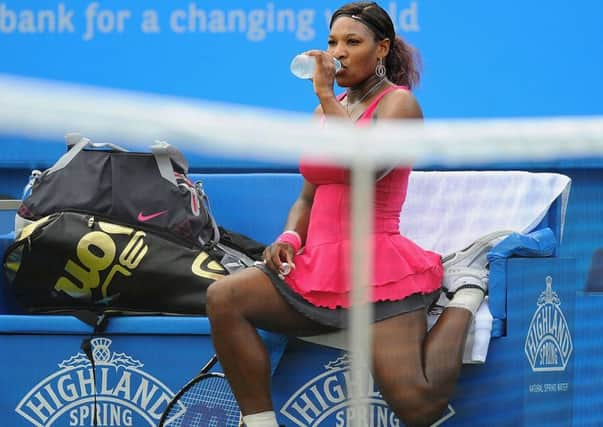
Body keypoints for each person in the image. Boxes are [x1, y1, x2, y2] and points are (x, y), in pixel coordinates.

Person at [206, 2, 488, 426]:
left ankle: (464, 293)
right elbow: (308, 195)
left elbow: (365, 168)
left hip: (379, 270)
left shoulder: (400, 106)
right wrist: (288, 238)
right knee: (224, 296)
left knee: (419, 406)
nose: (339, 52)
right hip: (317, 267)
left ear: (381, 49)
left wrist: (323, 94)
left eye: (353, 42)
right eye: (333, 42)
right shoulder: (326, 112)